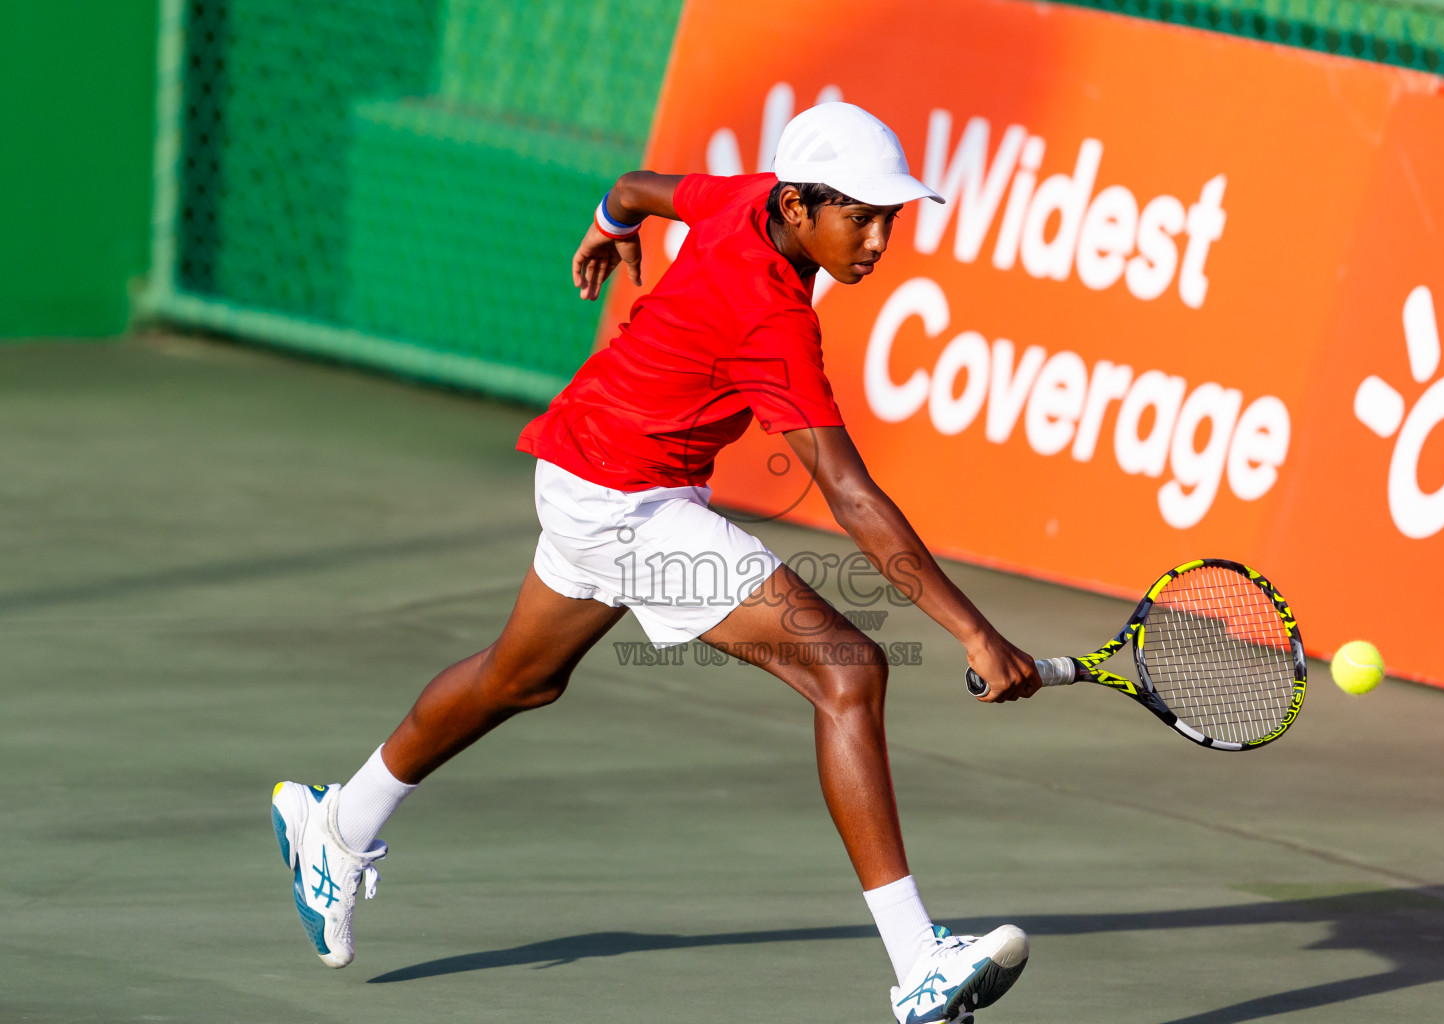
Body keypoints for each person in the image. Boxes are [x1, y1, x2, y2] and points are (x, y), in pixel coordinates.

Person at [271, 102, 1040, 1024]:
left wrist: (608, 229)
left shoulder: (745, 199)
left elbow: (635, 188)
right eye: (862, 217)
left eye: (892, 219)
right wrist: (974, 633)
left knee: (519, 679)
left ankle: (337, 825)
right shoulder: (775, 319)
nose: (880, 240)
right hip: (626, 502)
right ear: (799, 206)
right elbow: (851, 495)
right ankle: (918, 961)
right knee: (846, 668)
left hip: (581, 464)